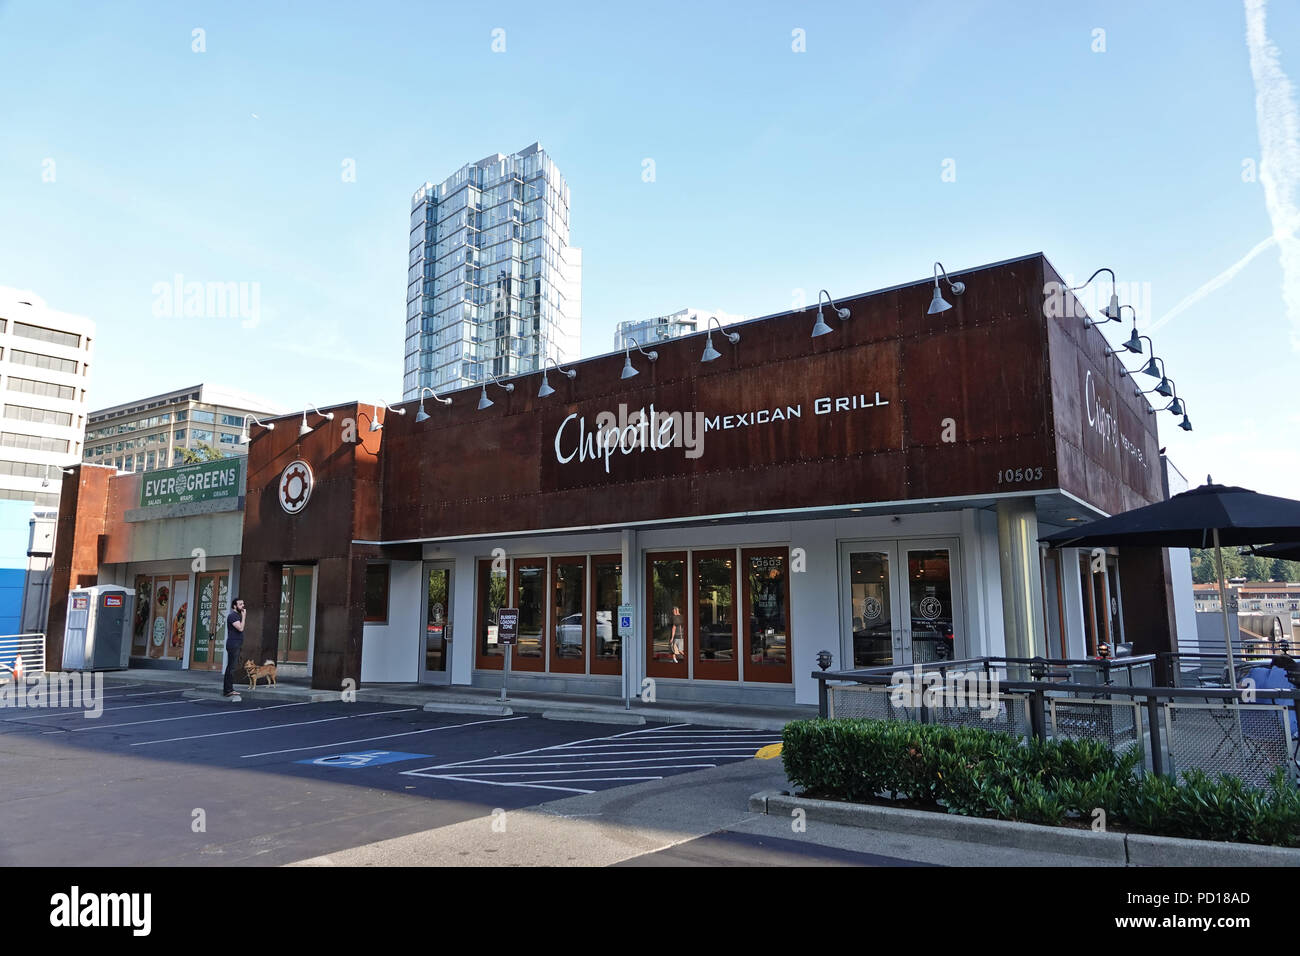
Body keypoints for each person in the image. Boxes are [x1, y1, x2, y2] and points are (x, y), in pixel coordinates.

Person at [222, 597, 247, 699]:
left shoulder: (237, 615)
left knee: (232, 667)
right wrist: (244, 616)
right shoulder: (233, 616)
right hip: (233, 644)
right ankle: (228, 690)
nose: (242, 606)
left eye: (243, 604)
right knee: (231, 668)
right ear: (234, 606)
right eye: (240, 604)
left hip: (236, 644)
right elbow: (240, 628)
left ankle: (230, 689)